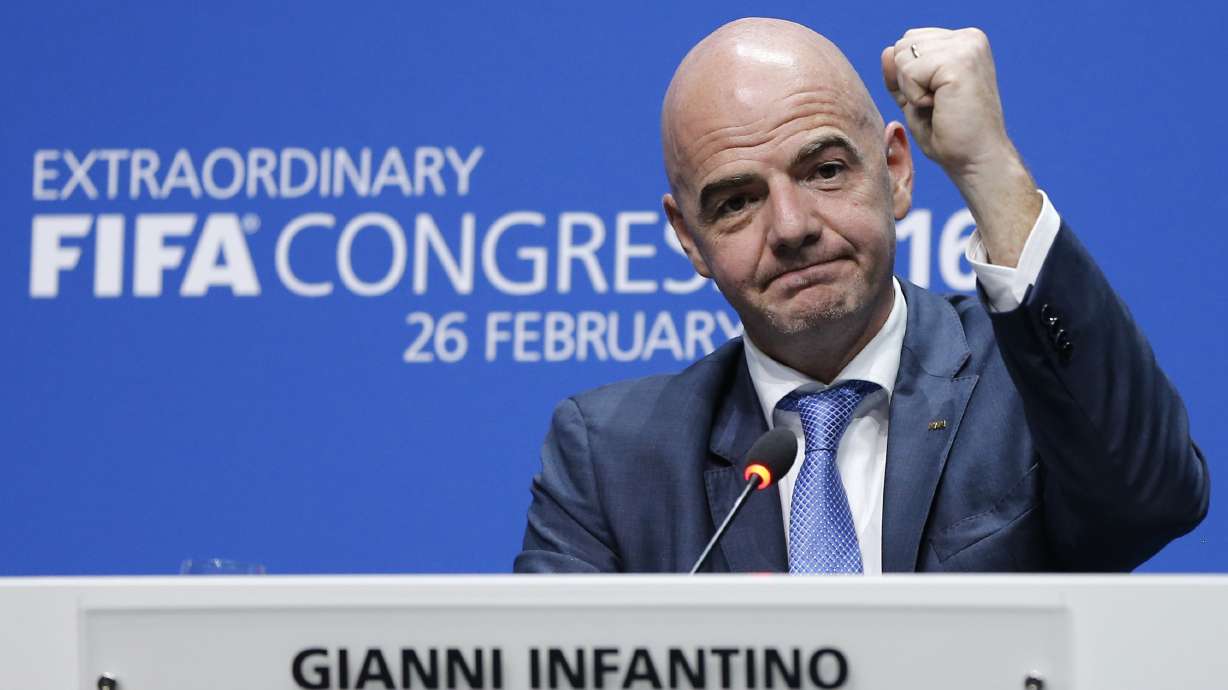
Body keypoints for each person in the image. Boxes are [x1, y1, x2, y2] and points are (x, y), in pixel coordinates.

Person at [514, 18, 1209, 573]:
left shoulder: (1024, 388)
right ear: (689, 239)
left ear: (896, 171)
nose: (792, 227)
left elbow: (1153, 498)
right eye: (736, 202)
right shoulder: (612, 459)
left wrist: (987, 168)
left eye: (824, 170)